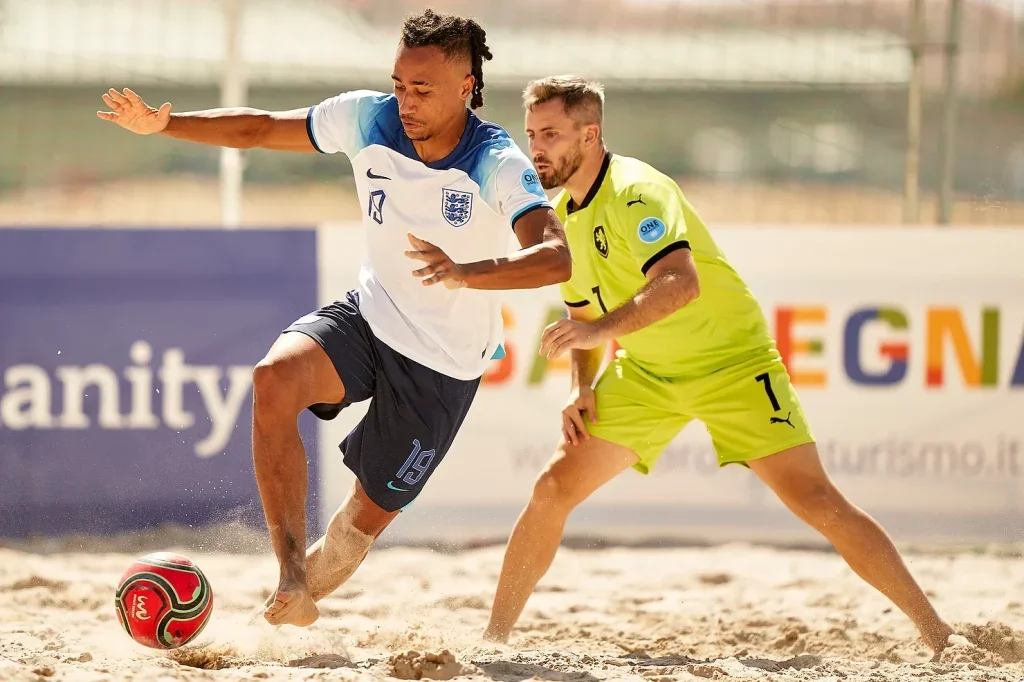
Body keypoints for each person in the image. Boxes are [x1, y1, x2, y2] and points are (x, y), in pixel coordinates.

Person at [98, 10, 571, 628]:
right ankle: (289, 577)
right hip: (370, 317)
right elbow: (259, 130)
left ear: (466, 85)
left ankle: (289, 606)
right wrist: (166, 123)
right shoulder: (366, 116)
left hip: (444, 366)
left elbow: (554, 256)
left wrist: (466, 271)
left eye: (422, 89)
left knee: (355, 530)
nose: (405, 100)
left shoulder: (496, 160)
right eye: (400, 84)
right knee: (274, 379)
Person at [482, 75, 954, 655]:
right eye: (531, 134)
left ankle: (939, 634)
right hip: (649, 375)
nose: (537, 148)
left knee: (816, 501)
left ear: (590, 133)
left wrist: (599, 332)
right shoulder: (561, 215)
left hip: (732, 363)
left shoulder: (638, 190)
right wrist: (582, 385)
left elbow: (680, 284)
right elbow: (582, 312)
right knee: (552, 488)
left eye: (550, 133)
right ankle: (494, 642)